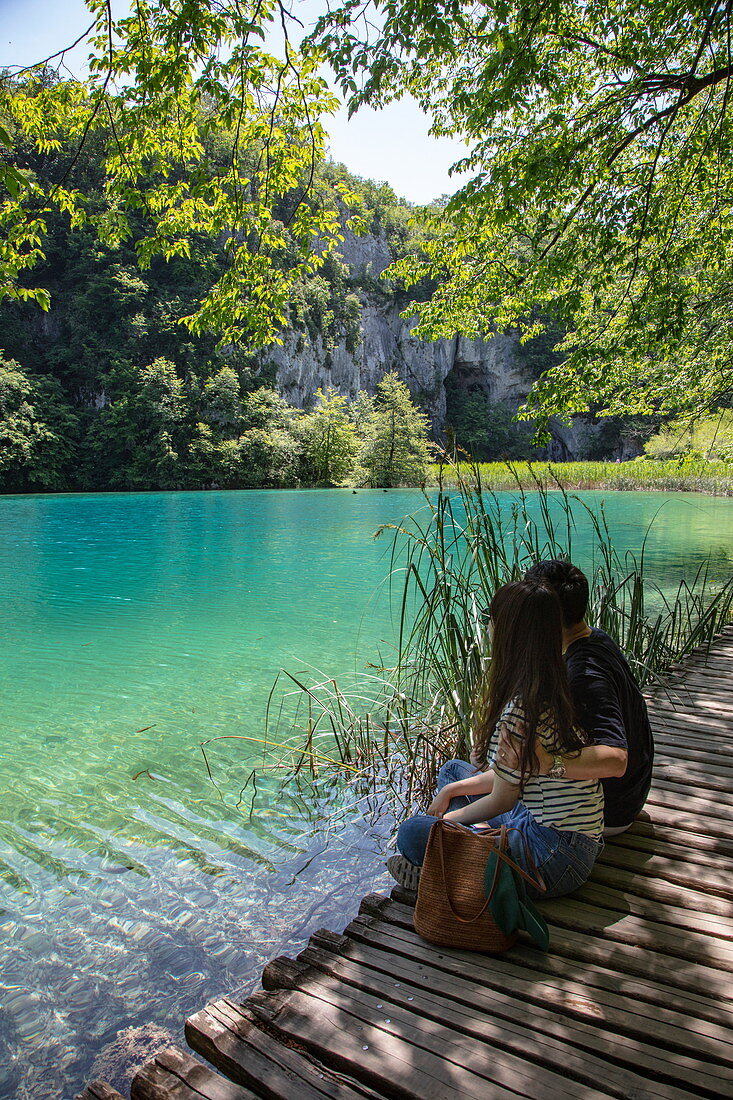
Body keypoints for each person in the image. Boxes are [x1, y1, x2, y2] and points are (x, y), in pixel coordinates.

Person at [389, 579, 604, 898]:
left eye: (493, 619)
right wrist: (451, 791)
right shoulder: (555, 682)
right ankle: (474, 845)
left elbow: (502, 799)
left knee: (411, 833)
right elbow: (514, 779)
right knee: (452, 773)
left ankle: (458, 869)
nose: (488, 627)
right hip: (578, 839)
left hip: (552, 858)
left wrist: (443, 825)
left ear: (509, 633)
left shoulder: (521, 710)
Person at [503, 559, 655, 835]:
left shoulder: (584, 674)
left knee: (470, 786)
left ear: (544, 615)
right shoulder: (596, 638)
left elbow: (616, 759)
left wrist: (547, 763)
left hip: (608, 811)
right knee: (466, 776)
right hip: (626, 797)